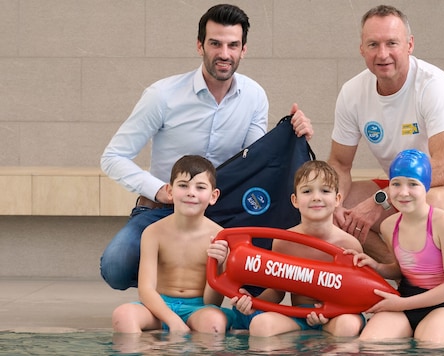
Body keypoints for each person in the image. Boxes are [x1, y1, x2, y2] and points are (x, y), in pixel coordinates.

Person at [100, 4, 313, 291]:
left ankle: (201, 292)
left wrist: (294, 136)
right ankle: (168, 286)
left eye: (232, 45)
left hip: (223, 211)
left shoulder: (254, 97)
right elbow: (113, 157)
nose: (224, 54)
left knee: (259, 272)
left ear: (243, 49)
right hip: (163, 210)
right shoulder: (162, 96)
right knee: (116, 265)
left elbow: (255, 162)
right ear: (200, 45)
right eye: (215, 43)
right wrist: (159, 190)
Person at [327, 4, 444, 333]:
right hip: (405, 187)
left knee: (428, 205)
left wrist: (379, 200)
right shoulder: (353, 92)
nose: (383, 54)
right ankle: (404, 280)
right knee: (344, 208)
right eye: (373, 44)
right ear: (361, 49)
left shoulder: (434, 86)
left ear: (409, 44)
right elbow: (339, 163)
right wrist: (334, 202)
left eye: (392, 43)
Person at [208, 160, 365, 337]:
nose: (316, 197)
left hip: (337, 314)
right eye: (307, 191)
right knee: (261, 325)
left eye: (325, 190)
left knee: (348, 326)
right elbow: (277, 290)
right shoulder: (284, 242)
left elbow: (356, 293)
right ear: (295, 200)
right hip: (298, 314)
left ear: (337, 199)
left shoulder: (349, 245)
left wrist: (330, 312)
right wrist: (251, 302)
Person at [346, 149, 444, 344]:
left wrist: (401, 303)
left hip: (440, 306)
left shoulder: (443, 223)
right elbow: (400, 271)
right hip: (403, 302)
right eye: (396, 184)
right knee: (369, 342)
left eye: (413, 184)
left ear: (426, 187)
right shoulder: (389, 225)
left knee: (429, 344)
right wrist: (374, 266)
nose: (403, 192)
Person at [111, 155, 233, 333]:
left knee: (214, 322)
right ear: (169, 191)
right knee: (123, 315)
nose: (191, 192)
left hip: (197, 310)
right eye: (183, 186)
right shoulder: (153, 233)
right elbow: (145, 289)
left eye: (200, 187)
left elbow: (211, 303)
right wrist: (173, 320)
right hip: (158, 307)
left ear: (213, 196)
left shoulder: (220, 238)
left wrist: (220, 266)